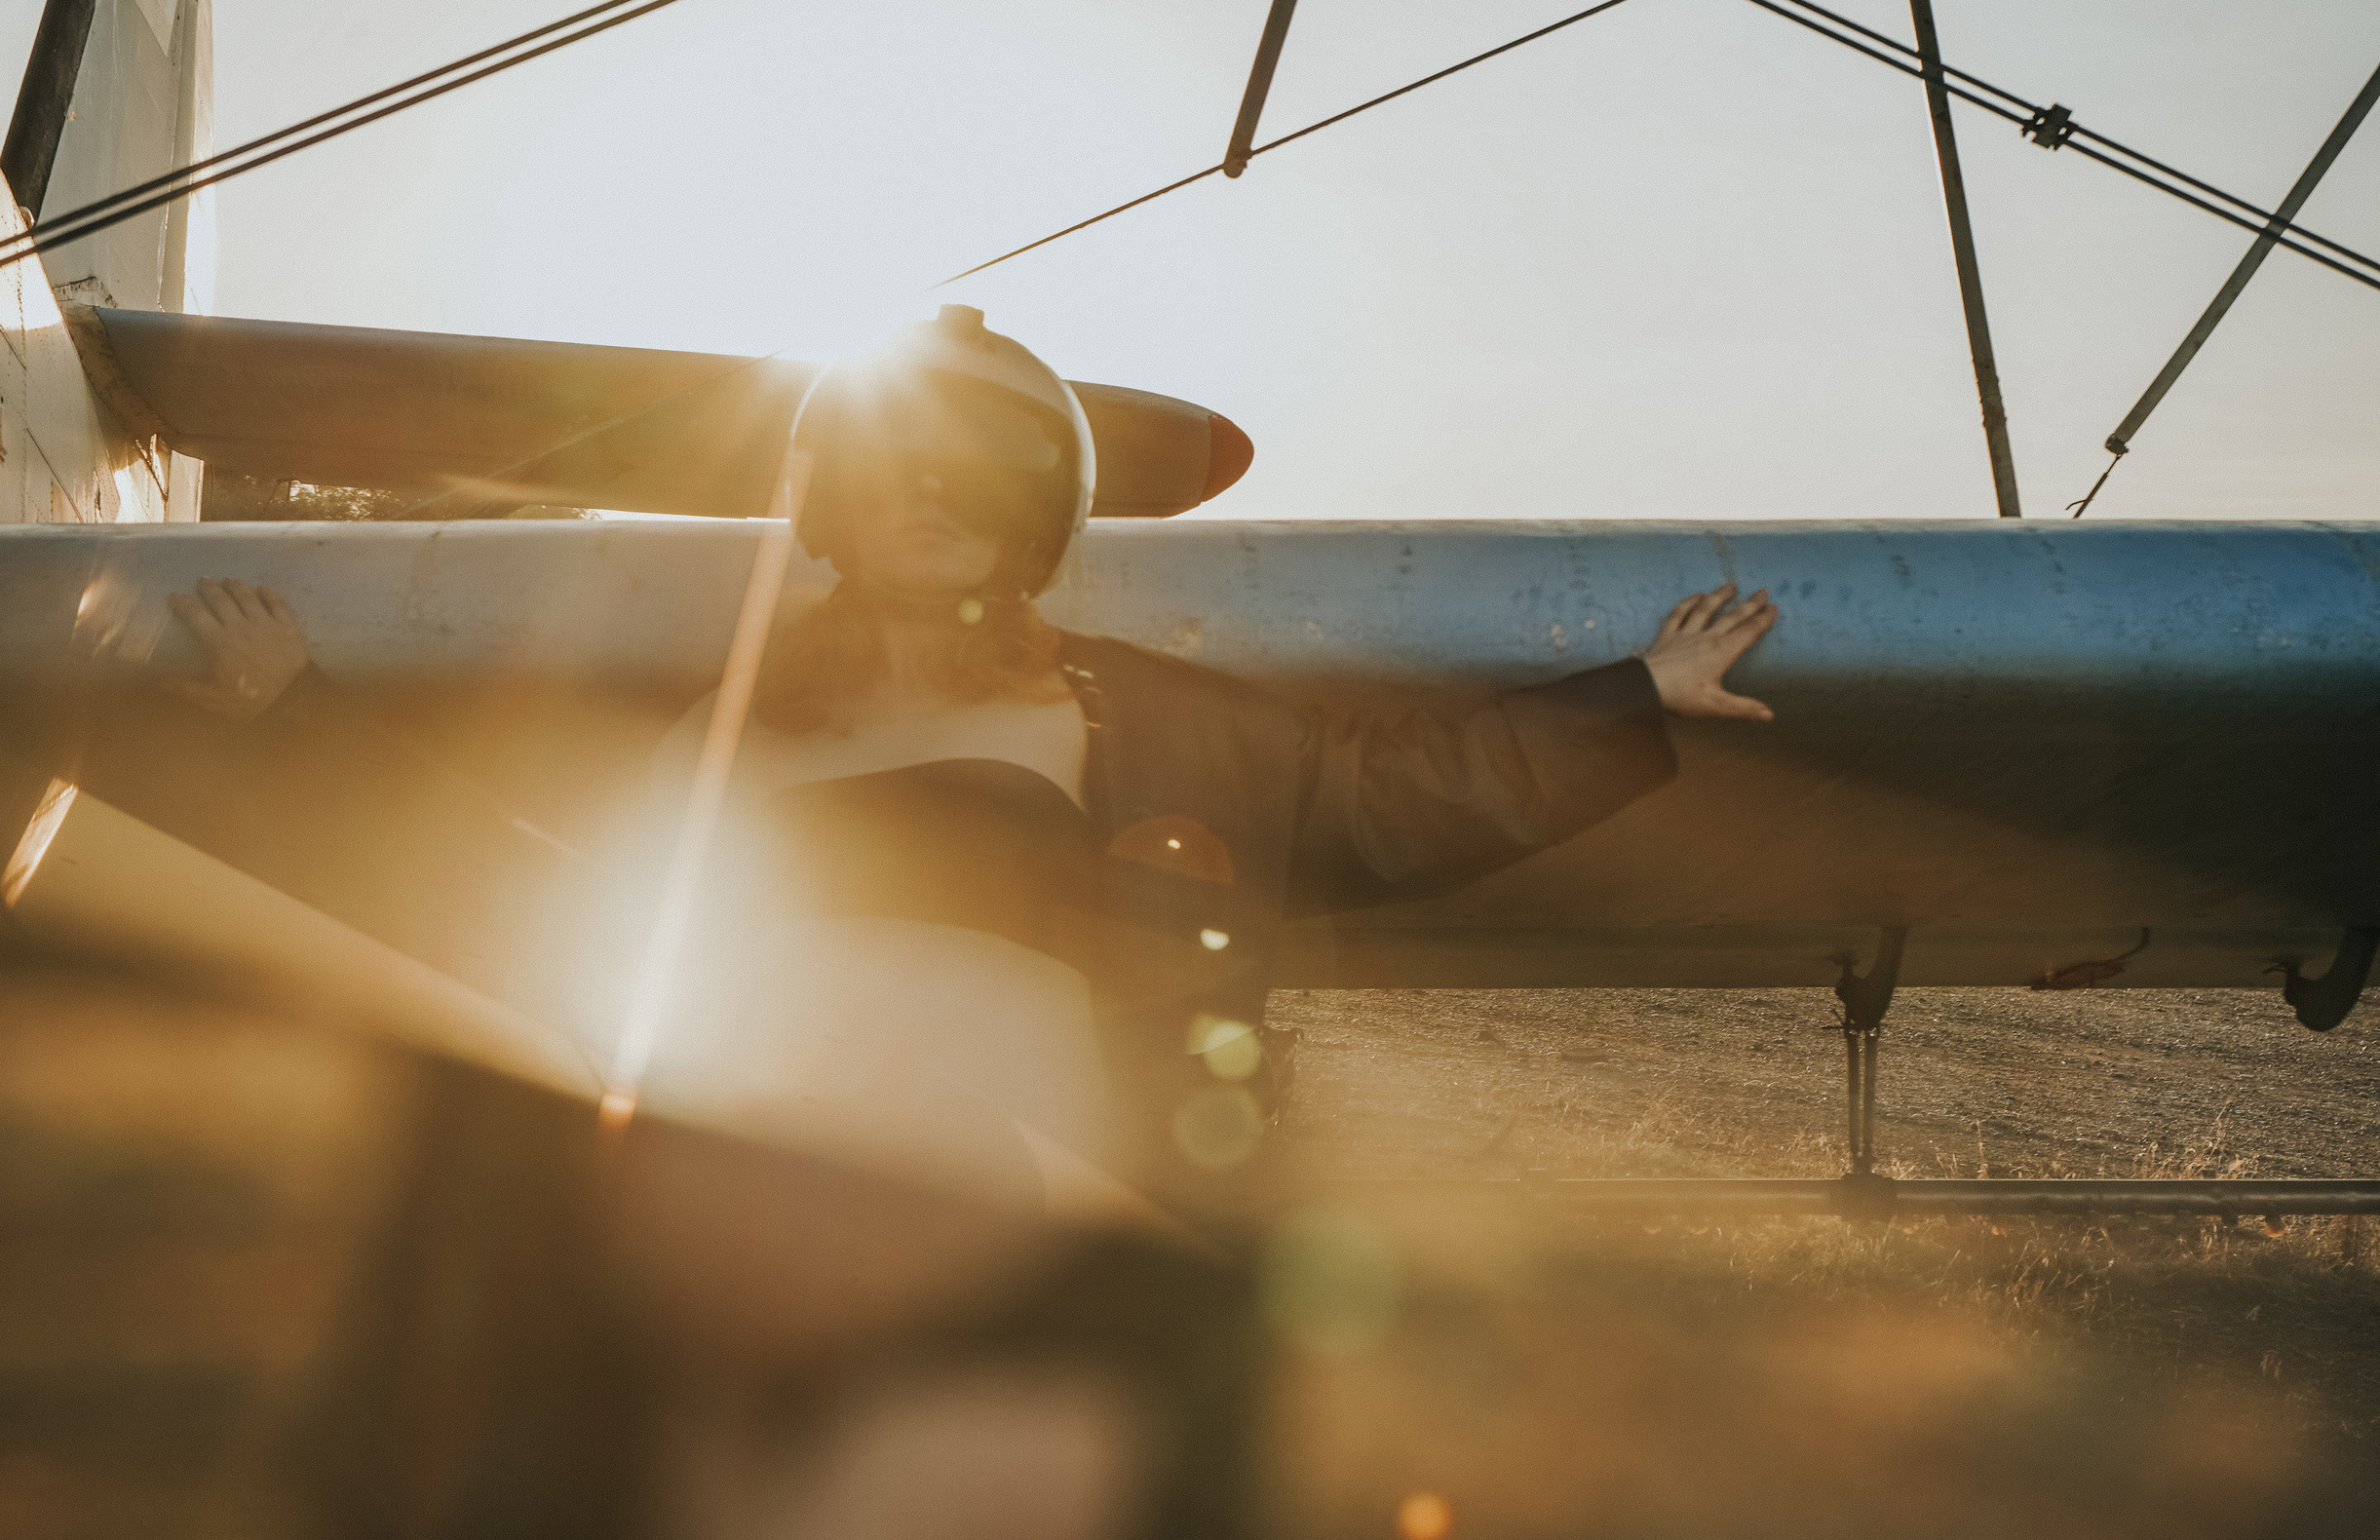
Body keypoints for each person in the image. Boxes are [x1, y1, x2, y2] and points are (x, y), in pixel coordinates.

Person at [166, 304, 1779, 1215]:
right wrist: (297, 715)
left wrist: (1634, 696)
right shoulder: (725, 737)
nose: (929, 503)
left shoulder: (1129, 716)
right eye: (896, 472)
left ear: (1028, 517)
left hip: (1042, 1204)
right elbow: (533, 902)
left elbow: (1384, 803)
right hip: (752, 1194)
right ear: (841, 505)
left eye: (970, 480)